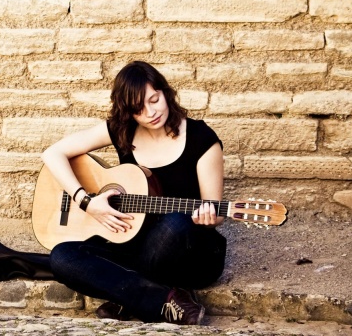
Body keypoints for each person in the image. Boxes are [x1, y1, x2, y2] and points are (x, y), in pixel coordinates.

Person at [41, 60, 227, 325]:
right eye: (138, 109)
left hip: (188, 251)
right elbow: (53, 153)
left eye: (154, 100)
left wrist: (209, 217)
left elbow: (215, 212)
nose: (151, 112)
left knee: (175, 224)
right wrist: (86, 201)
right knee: (62, 257)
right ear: (128, 112)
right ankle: (162, 299)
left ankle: (129, 296)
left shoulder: (201, 138)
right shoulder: (122, 131)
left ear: (165, 93)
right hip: (135, 245)